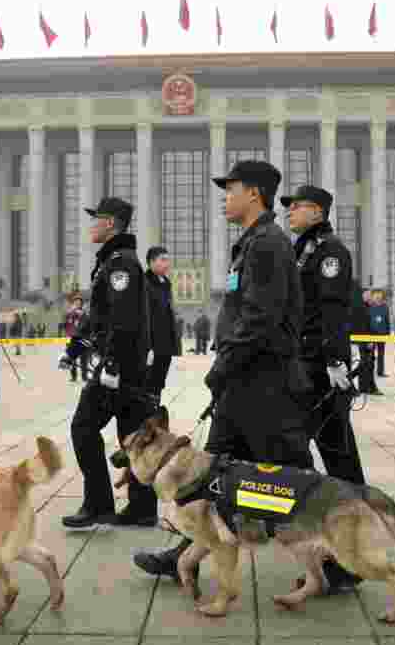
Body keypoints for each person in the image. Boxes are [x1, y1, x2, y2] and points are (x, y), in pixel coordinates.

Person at [134, 160, 312, 581]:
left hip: (265, 385)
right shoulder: (252, 243)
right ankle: (183, 556)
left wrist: (223, 366)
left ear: (254, 194)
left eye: (231, 190)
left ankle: (337, 560)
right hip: (243, 384)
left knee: (294, 482)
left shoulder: (267, 244)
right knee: (210, 477)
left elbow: (260, 317)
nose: (225, 198)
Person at [58, 196, 158, 529]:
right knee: (133, 434)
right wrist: (75, 349)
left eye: (96, 219)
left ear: (110, 223)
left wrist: (111, 364)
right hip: (129, 365)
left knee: (83, 427)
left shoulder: (120, 263)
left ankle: (99, 504)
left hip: (120, 367)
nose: (91, 225)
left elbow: (123, 318)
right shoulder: (114, 260)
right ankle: (142, 508)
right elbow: (98, 315)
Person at [284, 184, 365, 593]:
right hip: (306, 365)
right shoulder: (304, 250)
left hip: (320, 368)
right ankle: (343, 551)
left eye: (295, 207)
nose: (289, 213)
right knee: (333, 455)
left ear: (316, 211)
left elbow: (333, 310)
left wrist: (334, 361)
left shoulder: (330, 252)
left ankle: (348, 555)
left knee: (337, 456)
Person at [144, 246, 179, 402]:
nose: (167, 264)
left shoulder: (166, 283)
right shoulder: (144, 283)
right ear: (151, 262)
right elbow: (144, 317)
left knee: (159, 383)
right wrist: (147, 346)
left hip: (165, 345)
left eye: (168, 260)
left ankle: (154, 410)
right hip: (150, 345)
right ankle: (145, 413)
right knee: (147, 383)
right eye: (163, 260)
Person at [357, 290, 381, 395]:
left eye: (370, 295)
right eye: (368, 295)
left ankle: (366, 387)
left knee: (367, 365)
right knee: (367, 365)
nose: (370, 297)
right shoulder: (362, 309)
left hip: (368, 339)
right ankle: (368, 388)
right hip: (365, 341)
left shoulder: (370, 308)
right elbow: (364, 327)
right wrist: (369, 340)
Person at [62, 294, 90, 382]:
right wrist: (69, 314)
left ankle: (84, 376)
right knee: (71, 358)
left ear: (81, 304)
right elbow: (65, 324)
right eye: (76, 302)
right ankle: (73, 376)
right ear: (73, 303)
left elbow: (86, 324)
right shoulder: (70, 313)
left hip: (82, 338)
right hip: (72, 338)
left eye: (79, 302)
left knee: (84, 359)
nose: (77, 304)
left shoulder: (84, 314)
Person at [369, 290, 391, 377]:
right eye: (376, 294)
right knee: (370, 354)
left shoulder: (385, 307)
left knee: (381, 354)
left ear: (382, 296)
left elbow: (387, 320)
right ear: (373, 296)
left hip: (382, 333)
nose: (378, 296)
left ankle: (380, 372)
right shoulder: (370, 306)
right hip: (371, 334)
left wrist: (388, 333)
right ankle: (370, 372)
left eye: (379, 294)